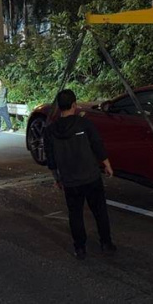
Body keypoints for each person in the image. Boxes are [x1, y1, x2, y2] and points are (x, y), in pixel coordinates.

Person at [45, 89, 116, 260]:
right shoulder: (84, 124)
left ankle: (80, 248)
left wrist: (57, 178)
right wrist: (107, 164)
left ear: (59, 107)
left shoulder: (50, 130)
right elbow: (97, 144)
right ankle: (106, 243)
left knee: (75, 214)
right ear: (74, 105)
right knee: (99, 211)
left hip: (69, 179)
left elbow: (50, 158)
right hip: (91, 176)